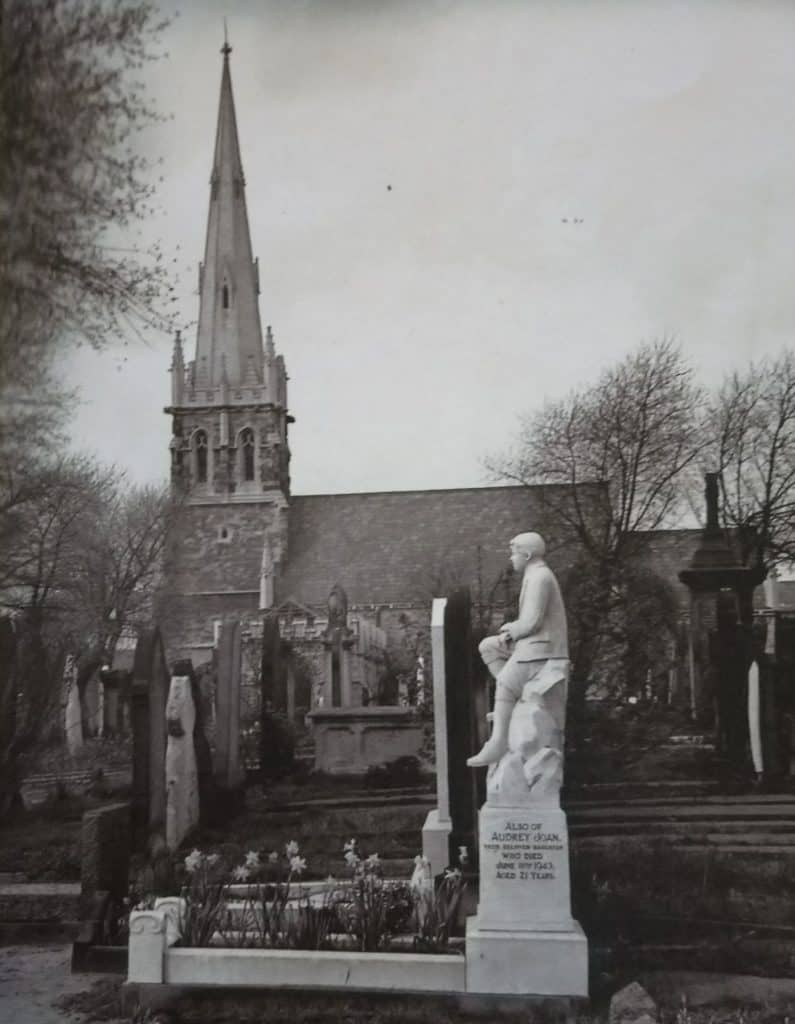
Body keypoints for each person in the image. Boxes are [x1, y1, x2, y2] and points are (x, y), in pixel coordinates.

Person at [467, 532, 568, 768]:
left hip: (543, 649)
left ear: (528, 554)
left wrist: (511, 629)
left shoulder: (540, 577)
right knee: (488, 647)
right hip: (533, 645)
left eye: (514, 553)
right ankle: (515, 701)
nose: (511, 558)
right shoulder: (534, 575)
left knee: (506, 682)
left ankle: (499, 741)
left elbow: (532, 622)